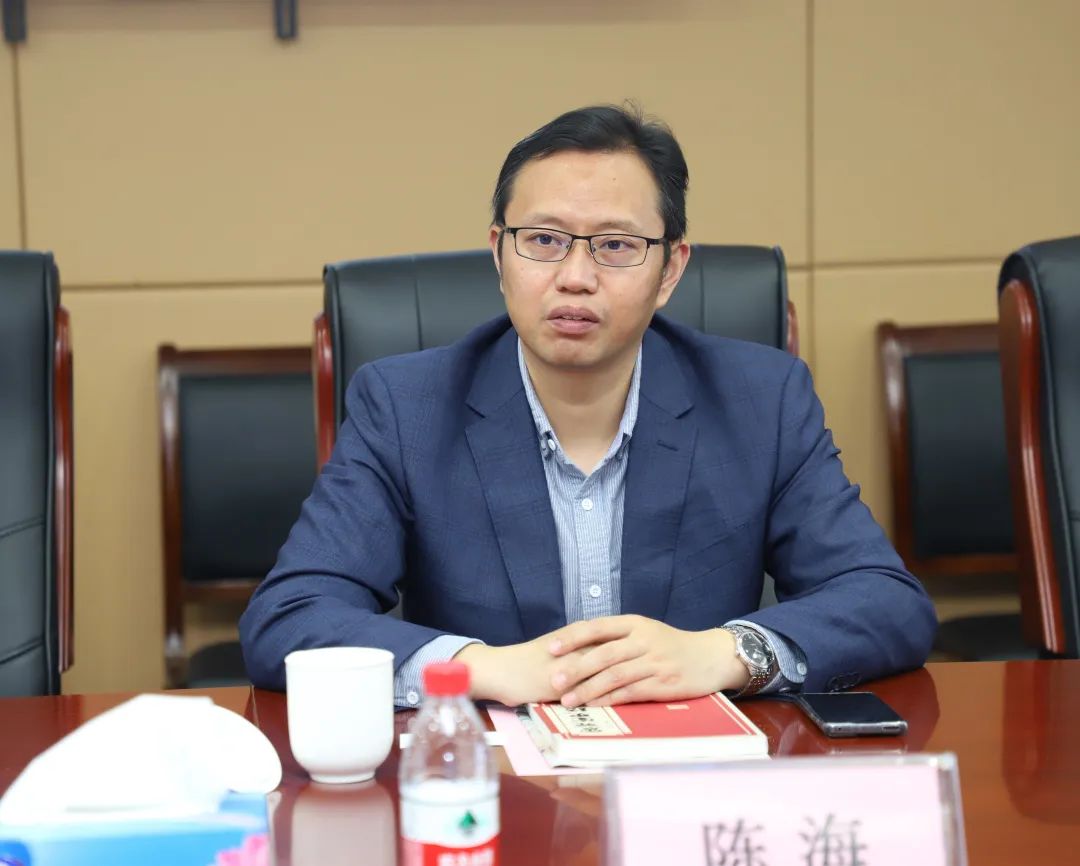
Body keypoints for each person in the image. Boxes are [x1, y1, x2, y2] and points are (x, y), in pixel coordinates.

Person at [239, 104, 936, 710]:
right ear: (499, 254)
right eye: (543, 241)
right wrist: (481, 667)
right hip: (493, 787)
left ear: (670, 269)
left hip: (688, 785)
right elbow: (289, 617)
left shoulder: (761, 400)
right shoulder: (406, 408)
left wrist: (726, 654)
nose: (575, 278)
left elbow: (886, 601)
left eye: (615, 246)